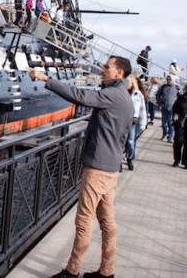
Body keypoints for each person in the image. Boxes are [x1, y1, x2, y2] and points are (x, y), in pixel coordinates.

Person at [29, 56, 134, 278]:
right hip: (111, 167)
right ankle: (107, 271)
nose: (102, 69)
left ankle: (72, 271)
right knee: (107, 222)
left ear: (119, 73)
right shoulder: (125, 97)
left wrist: (47, 79)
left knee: (84, 220)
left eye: (107, 67)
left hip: (98, 168)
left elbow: (80, 96)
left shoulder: (113, 95)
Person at [124, 75, 148, 171]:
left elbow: (142, 110)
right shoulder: (122, 93)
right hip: (122, 120)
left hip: (133, 120)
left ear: (133, 82)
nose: (127, 83)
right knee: (120, 140)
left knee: (130, 141)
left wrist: (143, 124)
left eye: (129, 81)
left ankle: (130, 158)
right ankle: (119, 160)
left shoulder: (138, 94)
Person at [156, 76, 178, 142]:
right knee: (164, 123)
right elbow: (158, 95)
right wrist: (159, 102)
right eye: (167, 79)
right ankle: (164, 135)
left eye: (170, 80)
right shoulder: (163, 87)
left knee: (170, 123)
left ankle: (170, 137)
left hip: (172, 109)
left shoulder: (177, 88)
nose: (168, 81)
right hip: (164, 108)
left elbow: (180, 97)